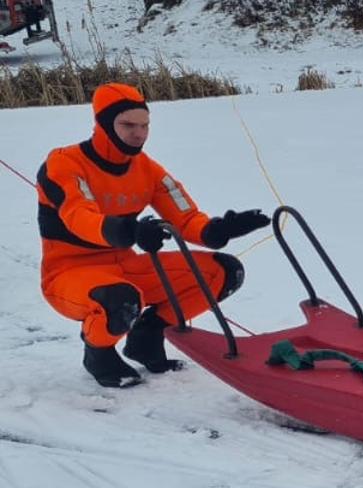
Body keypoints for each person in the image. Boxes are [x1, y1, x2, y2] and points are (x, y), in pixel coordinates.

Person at [36, 83, 271, 387]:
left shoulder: (146, 169)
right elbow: (78, 216)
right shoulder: (64, 163)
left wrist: (218, 230)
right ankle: (99, 353)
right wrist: (131, 231)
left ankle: (147, 337)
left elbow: (185, 217)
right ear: (104, 124)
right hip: (69, 273)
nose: (139, 133)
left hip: (125, 267)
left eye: (145, 125)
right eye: (128, 125)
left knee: (223, 272)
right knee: (121, 299)